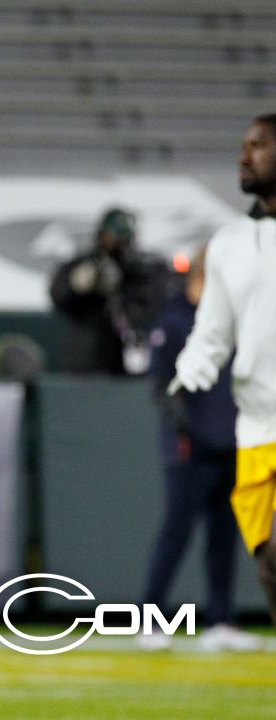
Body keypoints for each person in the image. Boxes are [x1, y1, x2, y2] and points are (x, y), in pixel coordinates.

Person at [173, 113, 276, 636]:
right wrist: (190, 370)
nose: (244, 156)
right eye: (244, 145)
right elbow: (213, 329)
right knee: (269, 563)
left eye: (257, 146)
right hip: (257, 427)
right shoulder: (231, 241)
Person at [138, 247, 260, 652]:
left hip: (231, 443)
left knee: (225, 537)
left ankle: (221, 621)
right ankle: (150, 620)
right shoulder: (174, 321)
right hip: (190, 448)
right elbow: (159, 384)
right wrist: (185, 428)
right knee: (175, 533)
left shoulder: (236, 322)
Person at [49, 207, 169, 375]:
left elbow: (157, 301)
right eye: (115, 237)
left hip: (129, 356)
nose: (119, 243)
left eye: (125, 238)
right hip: (89, 358)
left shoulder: (140, 268)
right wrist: (78, 285)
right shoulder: (85, 264)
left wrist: (128, 286)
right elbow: (59, 296)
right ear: (102, 234)